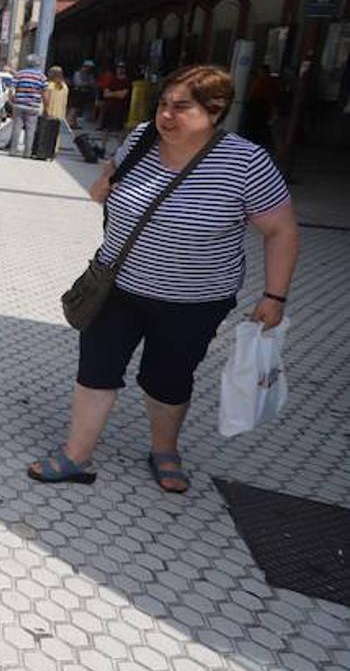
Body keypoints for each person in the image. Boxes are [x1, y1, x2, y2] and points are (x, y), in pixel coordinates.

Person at [28, 64, 299, 493]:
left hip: (194, 300)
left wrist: (274, 295)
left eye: (181, 107)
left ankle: (165, 450)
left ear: (215, 111)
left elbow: (281, 230)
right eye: (163, 105)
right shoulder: (140, 139)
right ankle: (77, 454)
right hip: (116, 286)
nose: (166, 116)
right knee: (96, 369)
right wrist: (102, 186)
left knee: (168, 379)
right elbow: (107, 179)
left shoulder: (245, 162)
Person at [2, 54, 47, 156]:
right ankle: (27, 153)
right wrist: (45, 105)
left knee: (16, 128)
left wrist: (12, 99)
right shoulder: (41, 77)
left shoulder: (20, 74)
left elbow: (11, 88)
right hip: (33, 106)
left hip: (19, 104)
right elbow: (45, 92)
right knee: (30, 130)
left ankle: (13, 151)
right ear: (38, 64)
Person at [96, 59, 132, 152]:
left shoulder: (127, 81)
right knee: (105, 128)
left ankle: (119, 150)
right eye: (118, 67)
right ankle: (102, 148)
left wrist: (112, 93)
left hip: (120, 108)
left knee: (120, 130)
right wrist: (117, 93)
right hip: (109, 107)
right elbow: (105, 94)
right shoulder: (112, 80)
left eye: (122, 68)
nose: (120, 70)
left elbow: (123, 95)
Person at [68, 60, 96, 126]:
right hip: (77, 92)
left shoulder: (89, 75)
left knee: (78, 109)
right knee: (74, 108)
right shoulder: (78, 74)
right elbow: (77, 83)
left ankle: (74, 123)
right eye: (88, 67)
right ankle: (69, 122)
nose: (89, 69)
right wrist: (88, 83)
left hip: (85, 93)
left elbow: (93, 83)